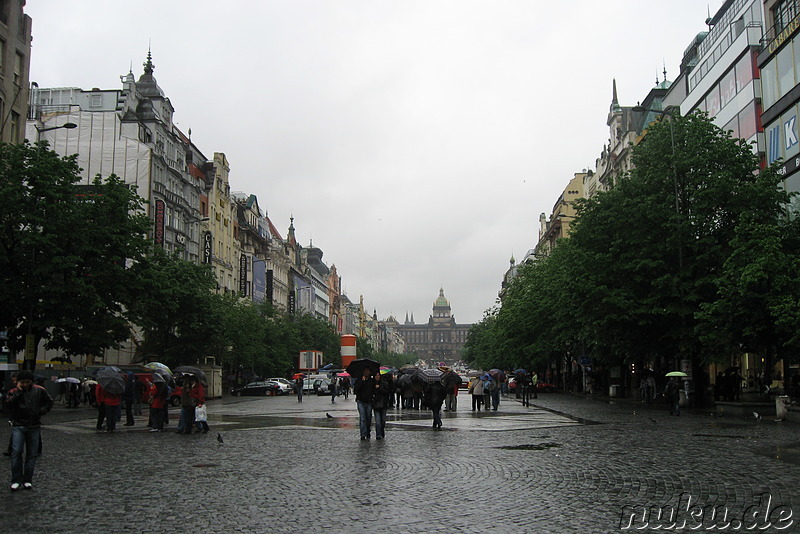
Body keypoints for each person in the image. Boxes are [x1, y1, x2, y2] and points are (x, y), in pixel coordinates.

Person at [5, 370, 54, 491]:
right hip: (19, 425)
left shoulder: (39, 390)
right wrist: (18, 393)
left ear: (31, 381)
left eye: (27, 382)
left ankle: (27, 479)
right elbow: (8, 405)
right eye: (23, 382)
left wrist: (42, 411)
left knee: (32, 454)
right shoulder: (14, 392)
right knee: (16, 451)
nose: (25, 384)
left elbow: (49, 402)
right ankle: (16, 479)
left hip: (34, 425)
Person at [353, 368, 375, 440]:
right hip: (361, 401)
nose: (366, 372)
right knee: (362, 418)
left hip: (369, 402)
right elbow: (356, 390)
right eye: (365, 371)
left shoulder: (372, 381)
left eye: (367, 371)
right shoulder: (359, 380)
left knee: (368, 418)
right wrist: (362, 382)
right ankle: (363, 434)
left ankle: (368, 431)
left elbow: (373, 390)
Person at [372, 371, 391, 439]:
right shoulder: (372, 384)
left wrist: (379, 388)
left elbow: (387, 392)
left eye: (378, 375)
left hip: (383, 404)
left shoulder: (384, 383)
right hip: (376, 405)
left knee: (382, 421)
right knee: (377, 421)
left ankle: (382, 432)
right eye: (376, 375)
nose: (377, 377)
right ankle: (378, 434)